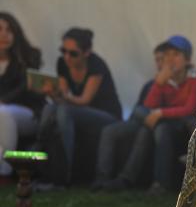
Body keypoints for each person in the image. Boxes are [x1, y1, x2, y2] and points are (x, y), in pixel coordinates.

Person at [101, 35, 196, 194]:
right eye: (168, 55)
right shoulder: (164, 78)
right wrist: (159, 83)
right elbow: (149, 106)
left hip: (187, 128)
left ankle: (152, 182)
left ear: (187, 60)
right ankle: (127, 179)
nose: (170, 59)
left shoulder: (194, 77)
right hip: (166, 123)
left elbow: (190, 109)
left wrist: (160, 113)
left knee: (150, 122)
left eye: (176, 55)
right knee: (147, 123)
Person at [36, 27, 122, 185]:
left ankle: (63, 175)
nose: (67, 57)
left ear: (86, 52)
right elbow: (63, 100)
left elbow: (84, 100)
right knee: (49, 108)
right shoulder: (62, 63)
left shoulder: (96, 65)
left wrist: (62, 96)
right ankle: (39, 162)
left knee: (64, 111)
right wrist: (52, 94)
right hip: (77, 111)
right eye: (64, 51)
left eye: (73, 53)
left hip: (107, 116)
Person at [91, 42, 167, 191]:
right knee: (109, 130)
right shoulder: (150, 84)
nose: (159, 64)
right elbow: (138, 110)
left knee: (143, 128)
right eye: (157, 60)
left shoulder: (176, 83)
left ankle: (124, 180)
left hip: (158, 123)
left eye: (162, 59)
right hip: (140, 121)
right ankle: (102, 178)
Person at [0, 12, 45, 178]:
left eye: (9, 30)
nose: (4, 34)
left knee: (2, 113)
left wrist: (3, 100)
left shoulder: (28, 56)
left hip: (28, 113)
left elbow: (25, 89)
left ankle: (3, 172)